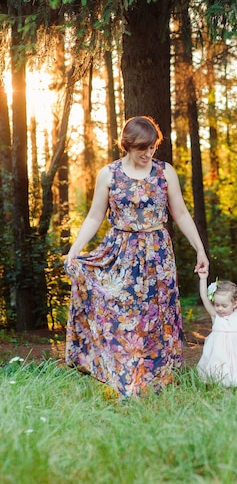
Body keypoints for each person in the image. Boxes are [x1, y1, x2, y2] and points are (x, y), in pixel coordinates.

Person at [65, 116, 209, 397]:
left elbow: (179, 213)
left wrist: (199, 248)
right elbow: (95, 216)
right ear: (127, 145)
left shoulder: (165, 172)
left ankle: (157, 379)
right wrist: (74, 250)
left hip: (158, 253)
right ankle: (122, 374)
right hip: (120, 251)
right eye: (142, 148)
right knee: (121, 313)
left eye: (153, 147)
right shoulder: (109, 174)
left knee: (157, 313)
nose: (148, 153)